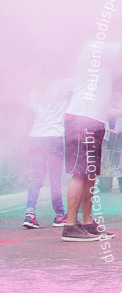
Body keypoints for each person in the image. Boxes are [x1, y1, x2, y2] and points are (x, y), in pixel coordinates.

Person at [61, 41, 122, 242]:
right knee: (80, 173)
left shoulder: (100, 51)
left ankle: (87, 223)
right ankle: (70, 226)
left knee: (90, 174)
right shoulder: (94, 46)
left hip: (92, 120)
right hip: (82, 119)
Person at [23, 76, 73, 229]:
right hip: (53, 135)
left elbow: (30, 117)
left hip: (35, 136)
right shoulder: (64, 84)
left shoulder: (35, 89)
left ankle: (30, 214)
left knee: (37, 177)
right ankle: (59, 215)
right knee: (55, 179)